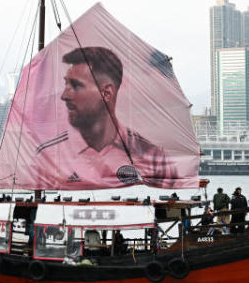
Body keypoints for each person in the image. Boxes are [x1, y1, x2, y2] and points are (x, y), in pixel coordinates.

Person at [39, 46, 178, 187]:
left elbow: (166, 200)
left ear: (106, 93)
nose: (64, 96)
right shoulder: (47, 155)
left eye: (76, 86)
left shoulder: (154, 158)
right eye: (66, 84)